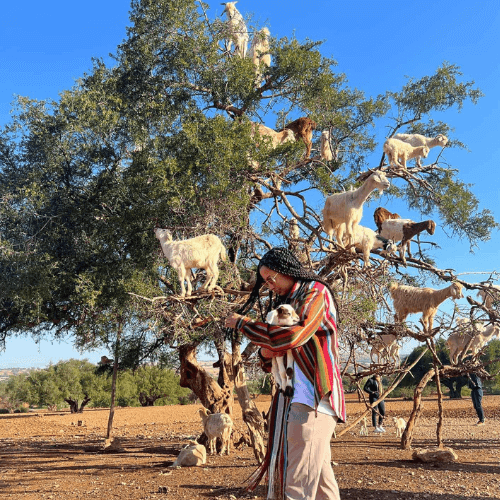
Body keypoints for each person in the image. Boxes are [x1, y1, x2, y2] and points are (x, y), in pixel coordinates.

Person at [225, 247, 345, 500]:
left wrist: (243, 324)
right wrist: (266, 353)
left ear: (287, 270)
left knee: (297, 485)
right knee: (321, 482)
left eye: (272, 278)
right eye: (265, 281)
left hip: (312, 397)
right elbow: (273, 355)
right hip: (297, 398)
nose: (269, 285)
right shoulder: (289, 302)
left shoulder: (315, 292)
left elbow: (293, 336)